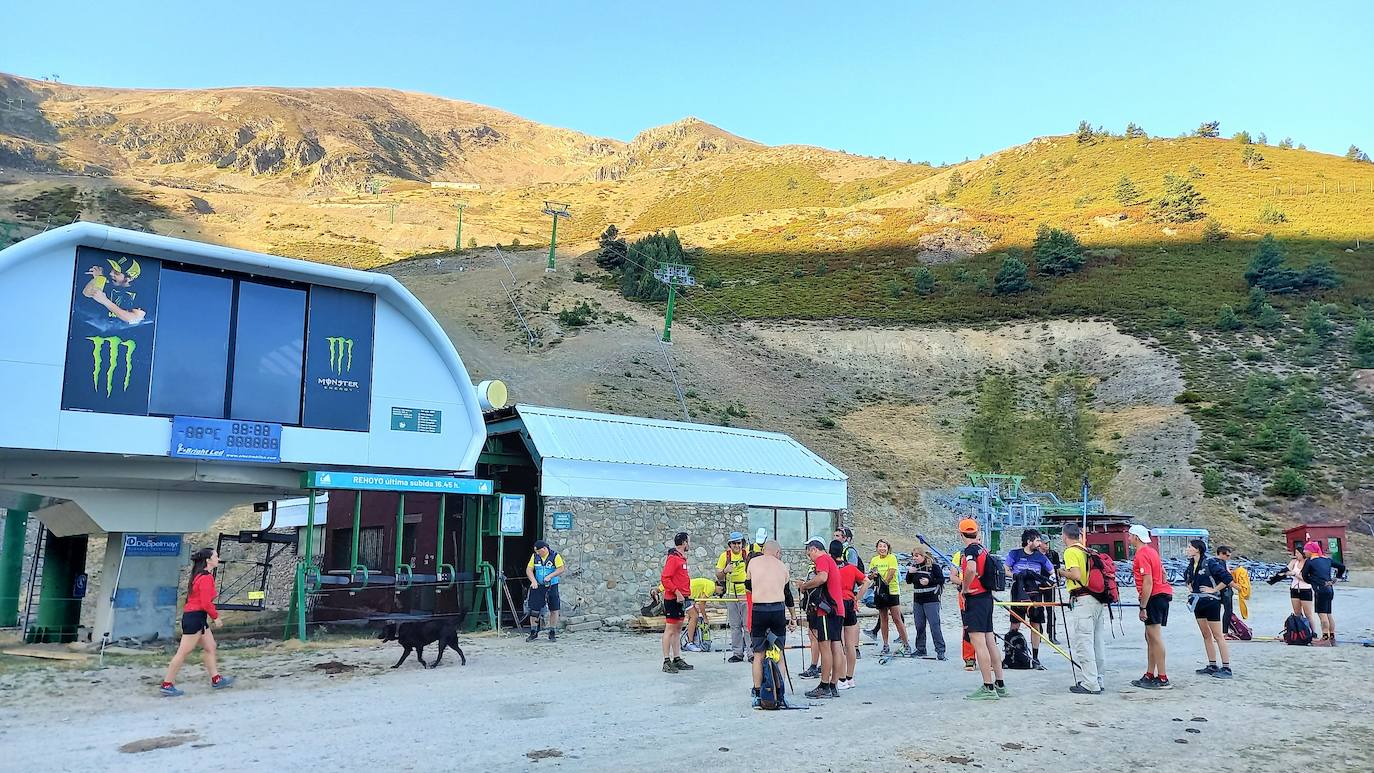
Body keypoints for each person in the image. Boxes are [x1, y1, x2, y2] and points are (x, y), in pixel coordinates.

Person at [160, 548, 234, 696]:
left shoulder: (199, 575)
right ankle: (167, 684)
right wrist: (216, 617)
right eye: (216, 556)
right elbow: (206, 603)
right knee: (183, 652)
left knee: (210, 646)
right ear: (208, 560)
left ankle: (216, 678)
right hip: (195, 618)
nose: (218, 559)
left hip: (197, 617)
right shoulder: (206, 577)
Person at [957, 518, 1007, 700]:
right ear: (976, 532)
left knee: (979, 643)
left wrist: (964, 587)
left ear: (961, 534)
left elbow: (970, 569)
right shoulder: (982, 548)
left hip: (976, 598)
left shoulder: (970, 550)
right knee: (990, 640)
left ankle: (988, 686)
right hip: (986, 597)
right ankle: (999, 683)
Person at [747, 540, 797, 705]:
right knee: (779, 653)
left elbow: (748, 587)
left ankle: (756, 693)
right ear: (777, 552)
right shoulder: (782, 566)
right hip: (777, 610)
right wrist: (793, 617)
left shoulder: (753, 563)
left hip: (759, 610)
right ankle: (780, 692)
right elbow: (788, 595)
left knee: (758, 654)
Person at [1061, 523, 1104, 694]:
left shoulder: (1071, 551)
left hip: (1083, 600)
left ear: (1065, 536)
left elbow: (1076, 575)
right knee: (1097, 643)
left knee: (1084, 642)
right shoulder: (1087, 551)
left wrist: (1062, 572)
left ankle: (1090, 682)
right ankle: (1099, 679)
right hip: (1097, 600)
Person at [799, 538, 845, 699]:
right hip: (838, 609)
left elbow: (822, 578)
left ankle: (824, 685)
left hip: (826, 610)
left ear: (813, 549)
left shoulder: (822, 559)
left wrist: (805, 585)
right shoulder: (831, 560)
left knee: (825, 647)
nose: (810, 558)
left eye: (809, 554)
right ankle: (833, 685)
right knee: (836, 647)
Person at [1129, 524, 1173, 690]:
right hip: (1161, 594)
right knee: (1150, 637)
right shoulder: (1152, 551)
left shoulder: (1141, 555)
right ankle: (1150, 673)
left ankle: (1162, 677)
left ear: (1136, 537)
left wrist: (1143, 606)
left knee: (1154, 637)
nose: (1128, 538)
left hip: (1154, 596)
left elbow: (1147, 582)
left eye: (1130, 535)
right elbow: (1162, 573)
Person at [1006, 529, 1055, 670]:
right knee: (1015, 624)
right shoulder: (1015, 554)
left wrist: (1047, 582)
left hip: (1035, 593)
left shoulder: (1040, 557)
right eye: (1038, 540)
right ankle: (1011, 655)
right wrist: (1015, 576)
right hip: (1018, 593)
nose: (1040, 543)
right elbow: (1006, 568)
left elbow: (1051, 572)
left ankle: (1035, 657)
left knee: (1036, 624)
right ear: (1029, 541)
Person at [1185, 539, 1233, 679]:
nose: (1187, 549)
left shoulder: (1210, 563)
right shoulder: (1191, 564)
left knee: (1218, 635)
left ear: (1197, 549)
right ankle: (1212, 664)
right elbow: (1187, 578)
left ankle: (1226, 667)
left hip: (1211, 602)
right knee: (1206, 634)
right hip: (1197, 602)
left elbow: (1227, 578)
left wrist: (1214, 590)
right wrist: (1190, 588)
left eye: (1190, 547)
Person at [833, 539, 870, 689]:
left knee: (838, 643)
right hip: (849, 602)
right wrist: (857, 597)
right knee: (850, 644)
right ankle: (850, 677)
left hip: (837, 604)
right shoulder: (850, 568)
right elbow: (866, 581)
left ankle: (841, 679)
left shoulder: (831, 567)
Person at [868, 539, 911, 655]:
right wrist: (873, 575)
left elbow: (892, 572)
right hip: (879, 593)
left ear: (888, 548)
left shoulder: (892, 558)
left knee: (897, 618)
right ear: (877, 548)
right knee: (883, 618)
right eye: (880, 546)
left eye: (884, 546)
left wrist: (884, 584)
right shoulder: (874, 560)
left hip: (892, 591)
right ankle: (886, 644)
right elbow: (870, 575)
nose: (882, 549)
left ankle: (906, 643)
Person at [660, 532, 695, 674]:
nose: (689, 544)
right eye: (688, 541)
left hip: (681, 598)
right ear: (684, 543)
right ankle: (666, 661)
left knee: (677, 629)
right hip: (673, 599)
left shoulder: (681, 559)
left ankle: (677, 657)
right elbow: (665, 578)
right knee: (670, 629)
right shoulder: (674, 559)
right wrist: (677, 592)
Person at [906, 546, 946, 660]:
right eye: (913, 556)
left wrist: (929, 581)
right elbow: (908, 581)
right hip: (918, 600)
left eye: (917, 556)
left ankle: (940, 650)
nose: (914, 558)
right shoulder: (914, 567)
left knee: (934, 625)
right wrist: (910, 572)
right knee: (919, 626)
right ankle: (921, 649)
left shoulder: (933, 566)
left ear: (923, 556)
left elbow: (941, 579)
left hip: (931, 599)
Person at [1302, 541, 1345, 645]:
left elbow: (1304, 575)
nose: (1304, 552)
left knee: (1322, 614)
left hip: (1320, 589)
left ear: (1311, 551)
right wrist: (1337, 578)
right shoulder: (1327, 559)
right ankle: (1332, 637)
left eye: (1305, 550)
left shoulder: (1310, 561)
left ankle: (1325, 638)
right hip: (1329, 588)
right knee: (1328, 613)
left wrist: (1312, 581)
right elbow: (1342, 567)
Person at [716, 532, 750, 663]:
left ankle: (751, 653)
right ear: (730, 544)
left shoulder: (747, 554)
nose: (737, 545)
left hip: (745, 592)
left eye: (739, 543)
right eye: (734, 543)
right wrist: (725, 570)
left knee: (747, 625)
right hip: (731, 593)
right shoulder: (725, 556)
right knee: (735, 625)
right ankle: (738, 653)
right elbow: (718, 576)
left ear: (742, 544)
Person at [525, 540, 566, 642]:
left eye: (539, 551)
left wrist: (550, 576)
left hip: (552, 585)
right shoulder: (535, 557)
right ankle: (533, 632)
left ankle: (552, 631)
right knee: (534, 609)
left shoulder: (555, 556)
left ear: (544, 548)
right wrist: (533, 581)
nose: (537, 553)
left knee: (554, 608)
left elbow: (561, 569)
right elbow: (529, 569)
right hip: (538, 586)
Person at [950, 546, 977, 670]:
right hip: (964, 595)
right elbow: (953, 576)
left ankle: (989, 658)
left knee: (986, 627)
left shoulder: (984, 552)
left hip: (982, 593)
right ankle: (969, 658)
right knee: (967, 626)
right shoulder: (959, 554)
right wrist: (964, 584)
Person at [682, 576, 722, 652]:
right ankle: (689, 643)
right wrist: (705, 618)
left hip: (688, 594)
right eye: (720, 593)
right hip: (686, 594)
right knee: (695, 616)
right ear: (720, 587)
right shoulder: (711, 587)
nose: (717, 594)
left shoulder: (709, 584)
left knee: (694, 616)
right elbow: (701, 604)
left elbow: (700, 600)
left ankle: (691, 639)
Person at [1215, 545, 1236, 635]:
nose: (1228, 558)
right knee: (1228, 610)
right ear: (1220, 554)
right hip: (1225, 589)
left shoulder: (1212, 562)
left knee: (1217, 611)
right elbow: (1226, 576)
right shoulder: (1221, 562)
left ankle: (1219, 631)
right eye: (1227, 556)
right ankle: (1224, 632)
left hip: (1217, 589)